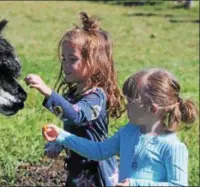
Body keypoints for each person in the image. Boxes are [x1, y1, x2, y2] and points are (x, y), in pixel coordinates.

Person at [42, 68, 199, 186]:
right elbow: (99, 151)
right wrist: (61, 136)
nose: (126, 106)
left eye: (130, 102)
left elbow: (178, 185)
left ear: (151, 109)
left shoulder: (172, 147)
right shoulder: (129, 132)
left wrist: (136, 184)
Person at [25, 12, 125, 187]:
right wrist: (58, 143)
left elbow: (75, 116)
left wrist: (47, 91)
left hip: (96, 171)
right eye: (64, 59)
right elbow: (71, 127)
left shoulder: (96, 97)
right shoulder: (73, 95)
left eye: (73, 59)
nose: (65, 65)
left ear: (94, 63)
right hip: (77, 169)